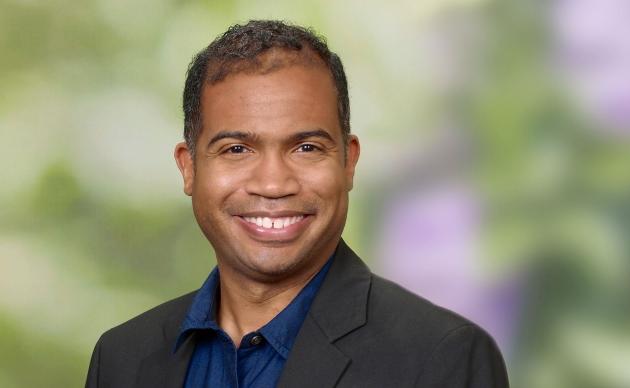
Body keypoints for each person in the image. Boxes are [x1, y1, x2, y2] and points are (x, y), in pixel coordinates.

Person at [85, 20, 509, 388]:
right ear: (189, 168)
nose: (273, 183)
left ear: (349, 161)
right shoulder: (122, 360)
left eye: (306, 147)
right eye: (236, 149)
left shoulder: (442, 357)